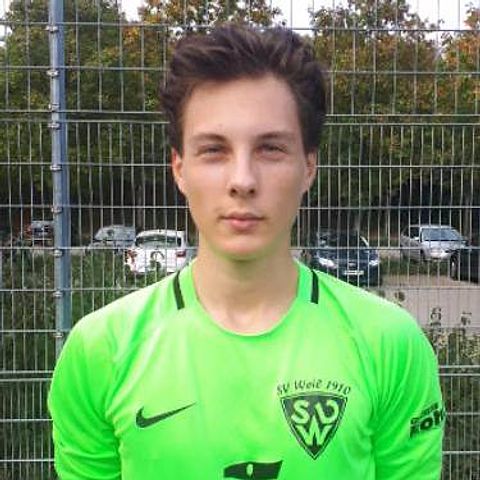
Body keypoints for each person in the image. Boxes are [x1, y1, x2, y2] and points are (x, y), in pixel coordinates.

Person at [48, 24, 444, 479]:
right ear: (179, 169)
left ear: (308, 167)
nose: (243, 180)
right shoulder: (101, 349)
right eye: (214, 150)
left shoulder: (390, 344)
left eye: (270, 148)